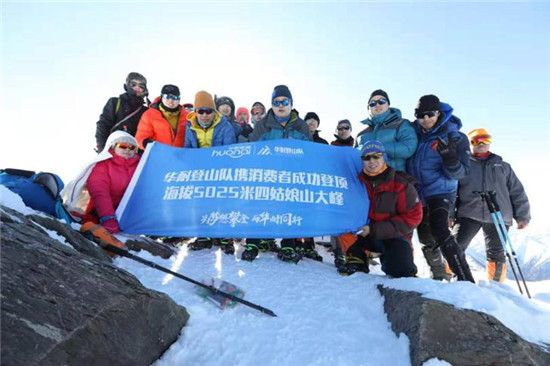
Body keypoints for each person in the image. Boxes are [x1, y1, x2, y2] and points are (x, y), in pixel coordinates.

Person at [407, 94, 474, 282]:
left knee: (440, 230)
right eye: (420, 115)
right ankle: (438, 275)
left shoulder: (455, 137)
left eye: (430, 114)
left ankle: (465, 279)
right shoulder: (414, 133)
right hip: (417, 192)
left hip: (441, 191)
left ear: (438, 112)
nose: (425, 119)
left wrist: (450, 159)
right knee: (426, 240)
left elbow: (460, 174)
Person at [244, 85, 313, 263]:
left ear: (291, 103)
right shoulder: (263, 125)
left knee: (289, 206)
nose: (280, 105)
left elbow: (310, 153)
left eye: (284, 101)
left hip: (291, 176)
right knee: (259, 206)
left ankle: (288, 243)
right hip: (266, 174)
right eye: (276, 102)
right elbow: (251, 149)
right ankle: (253, 242)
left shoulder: (301, 126)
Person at [452, 128, 531, 282]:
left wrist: (522, 216)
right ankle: (449, 279)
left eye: (485, 140)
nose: (481, 143)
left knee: (496, 253)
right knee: (455, 245)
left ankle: (497, 286)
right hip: (469, 212)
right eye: (476, 140)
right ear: (470, 144)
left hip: (499, 214)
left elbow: (517, 191)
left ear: (490, 142)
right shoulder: (463, 166)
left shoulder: (503, 166)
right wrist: (449, 214)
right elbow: (451, 191)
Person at [337, 141, 422, 277]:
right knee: (342, 225)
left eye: (376, 156)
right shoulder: (356, 183)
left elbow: (413, 217)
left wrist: (374, 229)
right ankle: (357, 260)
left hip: (394, 236)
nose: (372, 161)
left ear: (384, 158)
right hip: (364, 234)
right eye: (366, 157)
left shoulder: (401, 184)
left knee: (402, 272)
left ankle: (392, 260)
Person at [184, 91, 237, 254]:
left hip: (221, 170)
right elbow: (188, 149)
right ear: (195, 112)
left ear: (214, 112)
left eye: (209, 111)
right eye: (201, 111)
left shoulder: (224, 126)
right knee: (201, 202)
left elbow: (229, 150)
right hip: (200, 171)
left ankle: (225, 237)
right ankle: (203, 236)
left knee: (222, 202)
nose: (205, 115)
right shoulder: (190, 126)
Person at [82, 131, 140, 233]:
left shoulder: (140, 166)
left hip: (128, 216)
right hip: (99, 214)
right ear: (113, 146)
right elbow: (99, 193)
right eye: (123, 146)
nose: (127, 149)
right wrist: (108, 217)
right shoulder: (102, 165)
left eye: (132, 147)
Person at [356, 89, 417, 172]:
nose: (377, 105)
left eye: (381, 101)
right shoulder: (361, 135)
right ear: (369, 108)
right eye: (372, 103)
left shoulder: (401, 124)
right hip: (367, 182)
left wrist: (379, 148)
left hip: (394, 179)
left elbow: (408, 148)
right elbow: (355, 157)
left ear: (388, 104)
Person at [95, 72, 150, 152]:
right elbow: (103, 126)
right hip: (114, 150)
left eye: (141, 86)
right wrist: (102, 149)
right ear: (127, 86)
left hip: (134, 154)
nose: (137, 88)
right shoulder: (115, 103)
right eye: (133, 84)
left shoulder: (146, 110)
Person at [135, 84, 188, 150]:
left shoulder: (187, 116)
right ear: (161, 97)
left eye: (175, 98)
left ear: (179, 99)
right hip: (159, 155)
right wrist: (147, 144)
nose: (171, 101)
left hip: (181, 156)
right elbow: (140, 137)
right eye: (167, 97)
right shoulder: (149, 115)